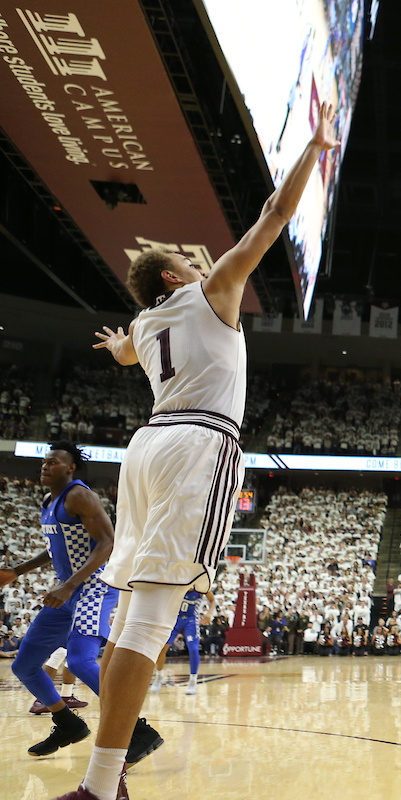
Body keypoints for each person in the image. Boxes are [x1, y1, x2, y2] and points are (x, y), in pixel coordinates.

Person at [64, 103, 339, 800]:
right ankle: (99, 788)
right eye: (188, 261)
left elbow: (132, 352)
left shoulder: (145, 319)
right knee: (149, 621)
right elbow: (276, 215)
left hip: (147, 448)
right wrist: (313, 147)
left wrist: (123, 350)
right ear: (172, 278)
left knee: (132, 617)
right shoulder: (206, 293)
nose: (202, 263)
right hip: (197, 443)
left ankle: (106, 778)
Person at [0, 443, 117, 758]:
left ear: (70, 468)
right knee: (24, 665)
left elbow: (108, 542)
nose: (45, 466)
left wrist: (69, 586)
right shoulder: (48, 501)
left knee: (79, 661)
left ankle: (135, 728)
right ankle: (68, 723)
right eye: (43, 462)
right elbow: (55, 550)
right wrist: (17, 571)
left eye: (53, 462)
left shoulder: (79, 496)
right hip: (65, 590)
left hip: (94, 587)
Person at [149, 588, 214, 696]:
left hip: (191, 619)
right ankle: (159, 675)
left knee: (193, 649)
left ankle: (193, 681)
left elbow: (212, 600)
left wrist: (209, 613)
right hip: (174, 618)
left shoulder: (200, 584)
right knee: (161, 649)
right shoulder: (177, 582)